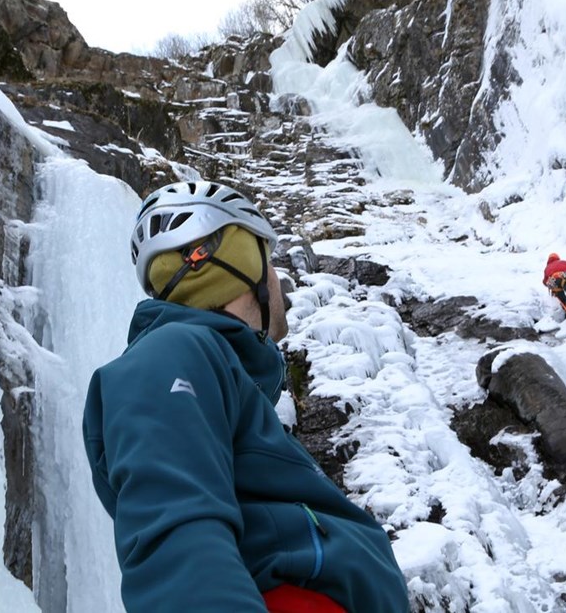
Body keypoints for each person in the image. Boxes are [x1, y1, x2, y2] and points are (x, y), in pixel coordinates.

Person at [83, 181, 409, 612]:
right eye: (266, 260)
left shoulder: (214, 373)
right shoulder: (172, 354)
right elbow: (180, 544)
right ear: (232, 266)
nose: (277, 281)